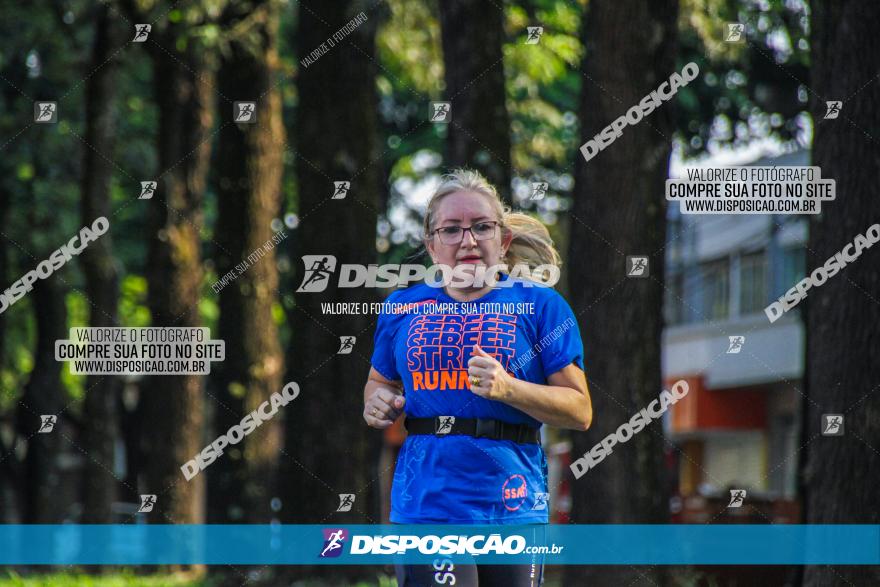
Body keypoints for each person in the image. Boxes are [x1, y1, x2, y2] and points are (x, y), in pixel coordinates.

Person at [363, 169, 593, 586]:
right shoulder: (403, 307)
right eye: (451, 230)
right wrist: (376, 402)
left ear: (502, 241)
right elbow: (379, 382)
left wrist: (509, 388)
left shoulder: (541, 306)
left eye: (481, 227)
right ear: (432, 246)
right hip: (427, 505)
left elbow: (579, 410)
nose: (467, 240)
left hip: (514, 504)